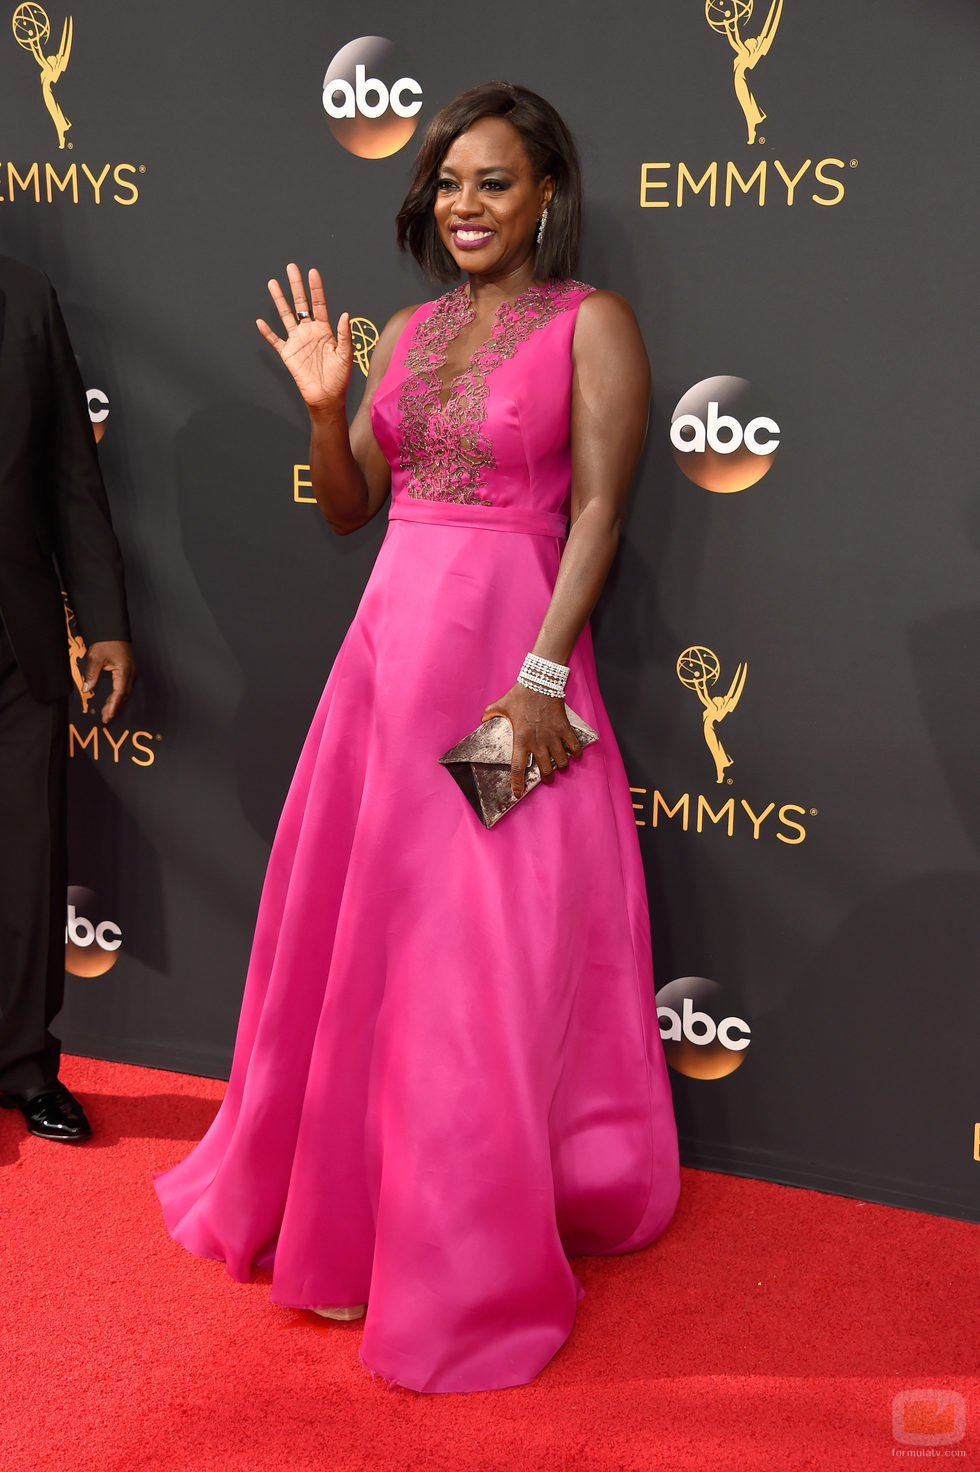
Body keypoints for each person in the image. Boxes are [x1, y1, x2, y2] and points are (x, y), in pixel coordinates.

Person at [155, 82, 679, 1393]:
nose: (465, 207)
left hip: (512, 681)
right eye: (448, 184)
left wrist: (543, 680)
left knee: (477, 963)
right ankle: (351, 1225)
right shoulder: (406, 329)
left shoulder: (592, 326)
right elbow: (351, 514)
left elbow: (601, 515)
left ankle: (470, 1258)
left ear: (548, 195)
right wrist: (329, 410)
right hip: (390, 671)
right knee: (378, 943)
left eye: (493, 183)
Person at [0, 253, 134, 1142]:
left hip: (18, 639)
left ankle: (22, 1064)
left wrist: (104, 621)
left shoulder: (23, 292)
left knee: (25, 860)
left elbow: (66, 474)